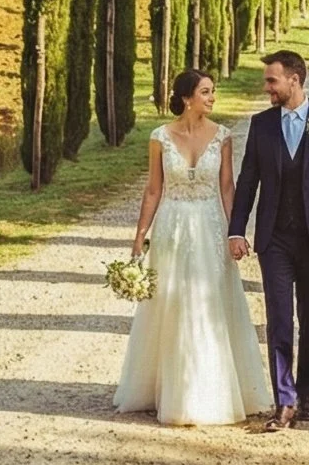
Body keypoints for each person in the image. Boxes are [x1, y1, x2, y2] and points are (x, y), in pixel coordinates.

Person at [113, 70, 271, 425]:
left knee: (209, 305)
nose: (212, 98)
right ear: (187, 98)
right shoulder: (159, 138)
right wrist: (140, 234)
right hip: (172, 228)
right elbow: (154, 189)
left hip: (211, 228)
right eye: (206, 92)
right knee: (174, 305)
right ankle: (170, 388)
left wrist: (236, 231)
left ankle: (208, 390)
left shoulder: (223, 137)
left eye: (213, 92)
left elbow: (227, 188)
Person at [228, 50, 309, 432]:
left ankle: (305, 396)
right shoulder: (261, 125)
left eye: (272, 80)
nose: (266, 87)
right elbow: (248, 181)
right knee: (279, 319)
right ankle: (283, 401)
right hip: (274, 239)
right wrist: (237, 229)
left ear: (294, 81)